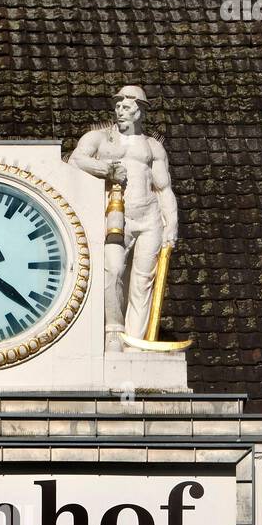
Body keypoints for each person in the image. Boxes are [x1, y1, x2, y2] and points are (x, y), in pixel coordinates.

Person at [69, 85, 178, 346]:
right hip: (116, 215)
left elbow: (164, 189)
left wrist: (171, 224)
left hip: (149, 217)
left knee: (143, 281)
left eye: (126, 107)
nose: (120, 111)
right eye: (118, 106)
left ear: (140, 111)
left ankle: (134, 343)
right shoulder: (100, 138)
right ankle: (113, 333)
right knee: (113, 271)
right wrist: (107, 170)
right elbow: (76, 160)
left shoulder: (153, 148)